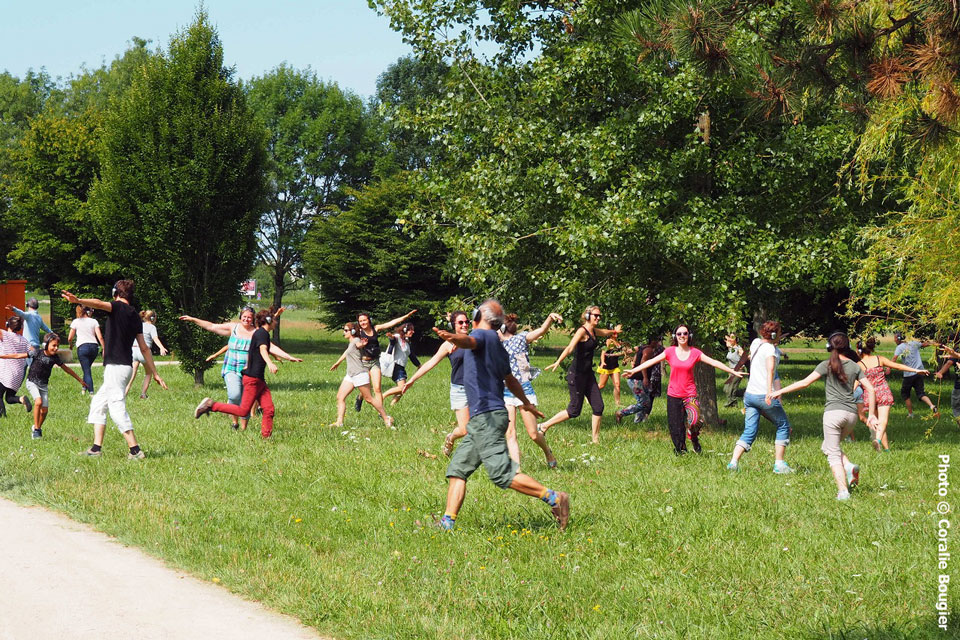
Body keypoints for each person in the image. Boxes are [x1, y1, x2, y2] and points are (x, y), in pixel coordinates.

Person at [433, 299, 570, 532]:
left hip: (487, 417)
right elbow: (511, 380)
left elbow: (469, 340)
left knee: (502, 475)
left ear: (478, 315)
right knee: (458, 469)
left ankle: (555, 498)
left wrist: (452, 337)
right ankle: (447, 523)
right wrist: (527, 404)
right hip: (482, 419)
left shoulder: (483, 336)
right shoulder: (497, 345)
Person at [63, 281, 167, 459]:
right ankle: (96, 449)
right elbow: (144, 348)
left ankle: (135, 450)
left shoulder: (117, 307)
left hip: (116, 368)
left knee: (117, 406)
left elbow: (97, 302)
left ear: (115, 293)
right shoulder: (134, 315)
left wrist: (78, 300)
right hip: (124, 367)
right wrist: (155, 373)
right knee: (98, 404)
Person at [769, 332, 879, 500]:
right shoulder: (855, 366)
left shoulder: (826, 364)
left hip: (833, 415)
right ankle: (848, 466)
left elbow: (805, 383)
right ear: (847, 347)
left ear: (829, 347)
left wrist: (779, 391)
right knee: (827, 447)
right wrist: (871, 415)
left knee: (832, 453)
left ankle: (843, 491)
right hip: (851, 416)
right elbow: (870, 389)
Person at [625, 324, 744, 455]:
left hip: (690, 394)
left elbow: (714, 362)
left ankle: (693, 437)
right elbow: (651, 361)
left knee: (694, 421)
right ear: (675, 336)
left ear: (689, 335)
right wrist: (633, 370)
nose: (682, 336)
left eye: (685, 333)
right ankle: (681, 451)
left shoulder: (695, 353)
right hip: (673, 394)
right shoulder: (670, 351)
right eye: (679, 334)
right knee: (675, 426)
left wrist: (732, 371)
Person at [180, 308, 299, 430]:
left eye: (249, 317)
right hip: (232, 368)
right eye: (244, 317)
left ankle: (243, 428)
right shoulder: (233, 328)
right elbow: (211, 326)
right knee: (235, 395)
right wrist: (193, 319)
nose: (247, 319)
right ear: (240, 317)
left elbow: (269, 345)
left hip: (248, 370)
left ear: (253, 319)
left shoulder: (256, 332)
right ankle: (232, 420)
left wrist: (288, 357)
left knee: (247, 402)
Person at [538, 306, 621, 444]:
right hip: (577, 375)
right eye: (596, 315)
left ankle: (595, 441)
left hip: (588, 375)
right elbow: (570, 347)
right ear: (588, 316)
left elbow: (605, 332)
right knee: (574, 410)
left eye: (599, 316)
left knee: (598, 406)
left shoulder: (594, 331)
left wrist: (614, 331)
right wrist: (558, 361)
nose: (598, 318)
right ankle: (544, 426)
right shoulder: (582, 331)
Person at [397, 311, 471, 457]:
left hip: (477, 388)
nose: (464, 325)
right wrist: (412, 380)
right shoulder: (448, 345)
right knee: (464, 430)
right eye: (460, 322)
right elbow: (431, 363)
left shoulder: (475, 339)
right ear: (454, 325)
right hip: (460, 389)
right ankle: (450, 438)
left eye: (466, 322)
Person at [727, 321, 793, 473]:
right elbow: (770, 370)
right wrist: (770, 392)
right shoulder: (770, 350)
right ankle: (779, 464)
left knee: (749, 430)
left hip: (749, 395)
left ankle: (733, 463)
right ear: (775, 334)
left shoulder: (755, 343)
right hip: (764, 395)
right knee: (783, 426)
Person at [500, 312, 562, 469]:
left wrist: (549, 318)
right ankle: (517, 470)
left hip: (524, 390)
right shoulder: (495, 344)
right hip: (505, 391)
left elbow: (541, 330)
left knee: (533, 434)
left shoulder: (521, 339)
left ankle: (548, 451)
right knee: (510, 432)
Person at [859, 336, 928, 451]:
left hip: (869, 396)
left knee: (878, 424)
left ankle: (885, 450)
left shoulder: (859, 365)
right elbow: (898, 366)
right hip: (883, 392)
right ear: (872, 348)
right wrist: (916, 370)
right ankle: (878, 440)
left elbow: (855, 384)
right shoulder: (879, 359)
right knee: (883, 421)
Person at [21, 332, 88, 438]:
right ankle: (37, 431)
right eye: (54, 345)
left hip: (43, 385)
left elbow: (67, 369)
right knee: (38, 402)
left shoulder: (55, 358)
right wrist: (3, 356)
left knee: (45, 411)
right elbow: (19, 355)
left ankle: (36, 426)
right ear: (45, 345)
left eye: (57, 346)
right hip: (32, 382)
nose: (56, 348)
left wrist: (80, 380)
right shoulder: (37, 352)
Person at [329, 322, 394, 428]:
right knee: (340, 397)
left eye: (346, 330)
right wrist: (338, 362)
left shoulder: (356, 340)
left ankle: (386, 418)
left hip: (359, 374)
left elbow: (359, 345)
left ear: (353, 331)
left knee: (369, 399)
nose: (343, 332)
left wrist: (362, 344)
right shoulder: (351, 342)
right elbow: (347, 352)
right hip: (350, 375)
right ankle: (339, 422)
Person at [354, 310, 417, 411]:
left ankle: (381, 413)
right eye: (360, 321)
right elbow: (354, 345)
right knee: (367, 387)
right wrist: (360, 345)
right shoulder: (359, 333)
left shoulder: (376, 328)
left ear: (369, 320)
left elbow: (391, 323)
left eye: (364, 320)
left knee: (377, 389)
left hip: (375, 362)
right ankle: (360, 397)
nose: (363, 323)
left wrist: (406, 316)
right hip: (363, 363)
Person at [617, 334, 665, 424]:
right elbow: (643, 362)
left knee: (644, 401)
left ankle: (638, 421)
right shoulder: (649, 350)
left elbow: (635, 354)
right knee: (645, 403)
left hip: (637, 379)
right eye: (656, 340)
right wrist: (646, 378)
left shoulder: (642, 347)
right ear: (652, 341)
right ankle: (621, 413)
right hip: (637, 379)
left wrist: (634, 362)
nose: (658, 342)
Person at [125, 310, 169, 399]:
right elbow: (155, 338)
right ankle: (143, 394)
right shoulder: (152, 327)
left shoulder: (139, 325)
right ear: (153, 318)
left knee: (132, 375)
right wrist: (161, 347)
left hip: (134, 350)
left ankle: (124, 393)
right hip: (144, 352)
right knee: (148, 373)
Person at [892, 332, 938, 417]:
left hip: (909, 375)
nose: (894, 340)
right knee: (921, 393)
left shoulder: (900, 347)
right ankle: (932, 405)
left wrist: (888, 368)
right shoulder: (914, 343)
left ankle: (910, 414)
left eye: (894, 338)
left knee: (905, 394)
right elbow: (924, 344)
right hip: (920, 372)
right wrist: (934, 343)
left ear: (898, 339)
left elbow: (894, 358)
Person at [6, 298, 51, 368]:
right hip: (36, 346)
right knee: (30, 367)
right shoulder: (39, 317)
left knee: (29, 368)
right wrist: (53, 334)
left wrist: (13, 309)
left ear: (27, 305)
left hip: (28, 346)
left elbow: (21, 313)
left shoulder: (29, 315)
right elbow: (46, 328)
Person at [68, 305, 104, 395]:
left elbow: (70, 338)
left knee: (87, 370)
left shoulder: (76, 322)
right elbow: (100, 337)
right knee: (86, 369)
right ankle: (84, 388)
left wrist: (71, 345)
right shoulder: (94, 321)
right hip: (94, 347)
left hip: (82, 347)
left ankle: (91, 392)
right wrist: (104, 348)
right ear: (89, 312)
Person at [0, 317, 31, 417]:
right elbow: (32, 350)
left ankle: (2, 416)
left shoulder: (5, 335)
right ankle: (21, 399)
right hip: (19, 374)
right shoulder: (24, 340)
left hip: (6, 373)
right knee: (9, 398)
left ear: (7, 325)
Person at [380, 323, 421, 399]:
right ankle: (382, 396)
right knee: (402, 387)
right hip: (396, 366)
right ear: (405, 330)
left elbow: (412, 356)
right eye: (411, 330)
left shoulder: (407, 342)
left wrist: (419, 365)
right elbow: (393, 340)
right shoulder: (397, 337)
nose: (413, 332)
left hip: (401, 368)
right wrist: (391, 337)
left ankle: (392, 406)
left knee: (402, 390)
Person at [596, 337, 627, 407]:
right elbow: (603, 353)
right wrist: (603, 362)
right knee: (601, 385)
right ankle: (589, 394)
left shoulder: (619, 341)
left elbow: (621, 349)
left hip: (614, 366)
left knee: (617, 384)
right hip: (606, 366)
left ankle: (618, 403)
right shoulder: (609, 341)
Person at [936, 342, 960, 427]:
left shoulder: (958, 349)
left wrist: (940, 373)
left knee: (956, 407)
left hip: (958, 386)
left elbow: (949, 363)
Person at [721, 333, 745, 408]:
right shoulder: (731, 349)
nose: (730, 339)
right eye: (729, 338)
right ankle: (746, 392)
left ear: (736, 339)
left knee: (730, 388)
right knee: (726, 388)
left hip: (738, 371)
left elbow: (744, 355)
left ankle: (730, 404)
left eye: (732, 337)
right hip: (731, 371)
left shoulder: (738, 348)